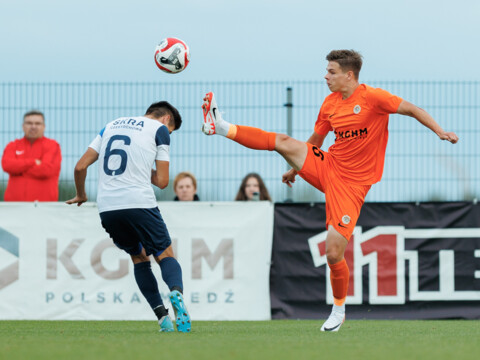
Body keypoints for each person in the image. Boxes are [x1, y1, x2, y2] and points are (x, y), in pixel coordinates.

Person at [201, 49, 458, 332]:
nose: (326, 76)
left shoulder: (373, 98)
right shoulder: (330, 103)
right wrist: (297, 165)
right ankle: (221, 126)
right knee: (286, 141)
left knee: (334, 252)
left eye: (332, 72)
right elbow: (316, 141)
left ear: (349, 75)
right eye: (327, 71)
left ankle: (338, 310)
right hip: (329, 166)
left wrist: (440, 131)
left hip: (352, 186)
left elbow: (412, 109)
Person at [66, 101, 191, 333]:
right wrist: (143, 168)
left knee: (138, 258)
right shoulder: (160, 130)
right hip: (139, 202)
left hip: (107, 208)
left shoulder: (110, 126)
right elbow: (163, 182)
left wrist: (81, 194)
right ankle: (176, 291)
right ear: (166, 120)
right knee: (164, 254)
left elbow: (80, 167)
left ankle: (162, 317)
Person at [1, 110, 61, 201]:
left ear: (44, 126)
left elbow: (47, 170)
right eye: (29, 123)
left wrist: (19, 170)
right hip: (14, 205)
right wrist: (33, 162)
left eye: (37, 123)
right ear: (23, 126)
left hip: (44, 205)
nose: (33, 126)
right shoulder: (13, 145)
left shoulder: (53, 146)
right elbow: (7, 165)